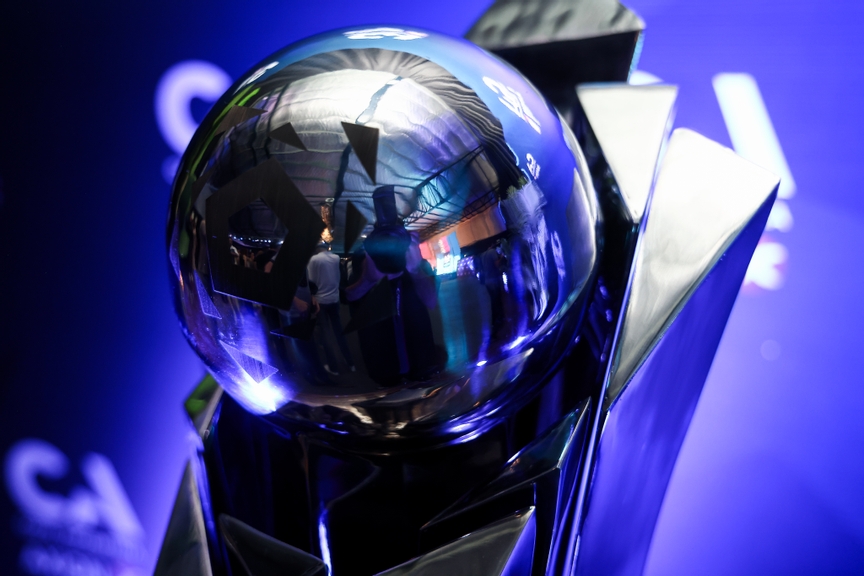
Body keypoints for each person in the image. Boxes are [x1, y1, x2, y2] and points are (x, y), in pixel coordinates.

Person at [307, 243, 355, 376]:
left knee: (326, 333)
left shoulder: (314, 260)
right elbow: (340, 278)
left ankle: (333, 367)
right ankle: (350, 363)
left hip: (320, 301)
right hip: (334, 299)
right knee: (339, 331)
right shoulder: (335, 258)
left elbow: (311, 282)